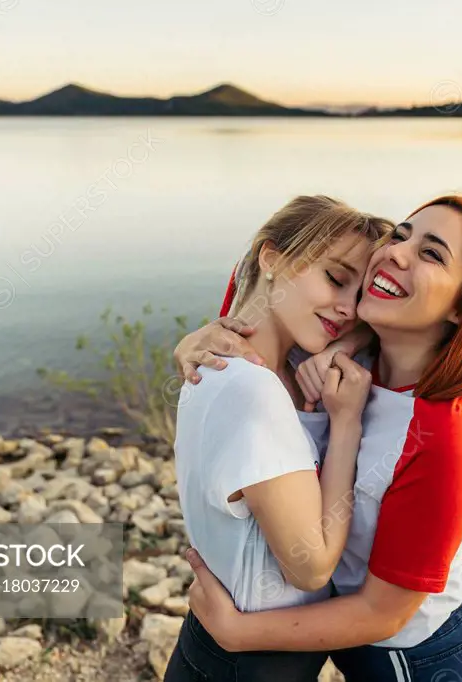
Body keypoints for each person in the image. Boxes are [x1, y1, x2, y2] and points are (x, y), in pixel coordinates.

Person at [174, 194, 462, 682]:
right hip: (330, 637)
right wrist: (193, 344)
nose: (398, 253)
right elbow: (256, 304)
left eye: (431, 253)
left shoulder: (448, 433)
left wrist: (237, 635)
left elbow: (384, 613)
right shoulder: (338, 349)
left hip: (415, 659)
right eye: (402, 235)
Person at [164, 195, 393, 682]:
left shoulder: (256, 364)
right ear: (272, 258)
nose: (348, 309)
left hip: (230, 644)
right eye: (335, 278)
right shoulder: (253, 390)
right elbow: (310, 569)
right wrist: (347, 424)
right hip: (250, 661)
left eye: (360, 297)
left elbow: (402, 326)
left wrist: (347, 341)